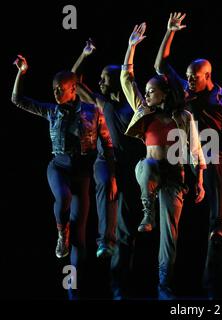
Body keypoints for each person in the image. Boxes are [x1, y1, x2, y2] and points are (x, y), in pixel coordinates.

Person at [155, 13, 222, 299]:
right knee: (174, 230)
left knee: (220, 225)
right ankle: (169, 285)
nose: (189, 81)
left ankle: (212, 285)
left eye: (194, 78)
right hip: (182, 160)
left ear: (208, 76)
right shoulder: (184, 95)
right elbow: (161, 65)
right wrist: (169, 32)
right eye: (187, 77)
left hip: (214, 162)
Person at [11, 56, 114, 299]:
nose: (56, 93)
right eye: (53, 89)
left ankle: (72, 291)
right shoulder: (51, 110)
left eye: (60, 89)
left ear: (73, 89)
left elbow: (107, 145)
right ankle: (60, 233)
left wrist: (110, 175)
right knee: (64, 198)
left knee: (80, 239)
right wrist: (21, 73)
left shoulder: (93, 112)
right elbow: (17, 100)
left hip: (82, 175)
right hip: (58, 168)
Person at [121, 22, 206, 300]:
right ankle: (147, 210)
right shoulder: (144, 111)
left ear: (165, 93)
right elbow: (126, 80)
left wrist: (201, 182)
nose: (146, 94)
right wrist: (131, 47)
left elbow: (195, 150)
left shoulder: (182, 117)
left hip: (174, 178)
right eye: (145, 91)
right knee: (146, 166)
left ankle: (164, 284)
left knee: (169, 236)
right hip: (149, 174)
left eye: (151, 91)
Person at [70, 39, 145, 298]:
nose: (100, 82)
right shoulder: (103, 104)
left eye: (104, 78)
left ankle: (119, 286)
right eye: (100, 78)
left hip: (130, 170)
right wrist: (84, 55)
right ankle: (105, 244)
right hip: (108, 164)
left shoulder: (132, 108)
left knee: (126, 229)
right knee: (105, 192)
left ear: (115, 80)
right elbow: (74, 83)